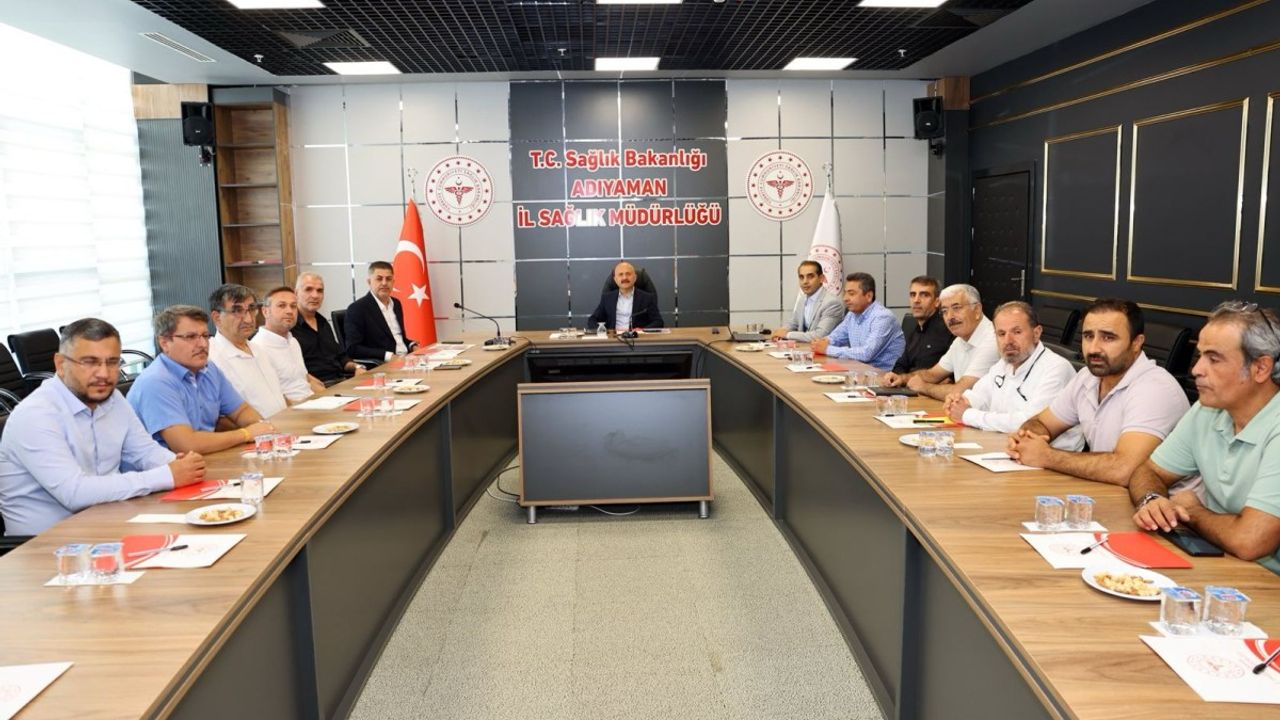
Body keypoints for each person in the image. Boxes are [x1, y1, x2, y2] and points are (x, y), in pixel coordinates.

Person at [0, 319, 206, 536]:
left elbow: (145, 452)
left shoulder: (112, 398)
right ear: (60, 364)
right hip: (46, 544)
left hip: (109, 524)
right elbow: (75, 493)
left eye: (112, 362)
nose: (104, 374)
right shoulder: (35, 415)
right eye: (90, 362)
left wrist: (180, 465)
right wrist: (167, 475)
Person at [1129, 301, 1280, 574]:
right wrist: (1152, 500)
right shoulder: (1207, 410)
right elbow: (1148, 471)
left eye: (1214, 358)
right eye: (1200, 355)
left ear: (1260, 368)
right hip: (1226, 566)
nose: (1196, 369)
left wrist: (1192, 512)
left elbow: (1250, 541)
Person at [1007, 298, 1190, 486]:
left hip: (1166, 501)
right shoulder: (1087, 377)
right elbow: (1041, 422)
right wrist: (1026, 439)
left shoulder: (1155, 389)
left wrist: (1046, 456)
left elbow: (1125, 470)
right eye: (1088, 336)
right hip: (1106, 492)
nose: (1094, 348)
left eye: (1108, 338)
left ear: (1136, 343)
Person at [128, 305, 274, 454]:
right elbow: (186, 445)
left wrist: (262, 429)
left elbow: (241, 411)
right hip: (164, 466)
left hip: (204, 458)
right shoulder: (155, 382)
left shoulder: (209, 369)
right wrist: (246, 434)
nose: (203, 344)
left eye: (205, 336)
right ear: (165, 343)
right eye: (191, 337)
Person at [943, 301, 1081, 448]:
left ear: (1036, 333)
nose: (1008, 341)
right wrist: (959, 402)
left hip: (1051, 456)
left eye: (1017, 332)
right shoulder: (1004, 363)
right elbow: (979, 396)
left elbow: (1029, 424)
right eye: (1001, 334)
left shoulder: (1056, 369)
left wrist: (967, 415)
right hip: (1003, 446)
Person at [883, 284, 997, 401]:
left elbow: (960, 392)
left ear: (977, 310)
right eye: (945, 311)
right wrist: (902, 379)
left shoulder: (993, 340)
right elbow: (933, 374)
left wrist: (924, 387)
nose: (950, 317)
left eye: (956, 308)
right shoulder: (960, 340)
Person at [206, 284, 288, 417]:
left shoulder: (258, 349)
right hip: (255, 429)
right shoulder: (211, 359)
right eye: (237, 311)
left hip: (285, 423)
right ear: (217, 318)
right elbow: (217, 419)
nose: (249, 319)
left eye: (251, 309)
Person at [810, 272, 905, 371]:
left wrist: (827, 349)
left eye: (851, 294)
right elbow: (836, 337)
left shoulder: (883, 317)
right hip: (859, 371)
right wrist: (823, 342)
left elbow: (866, 354)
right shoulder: (852, 314)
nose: (845, 298)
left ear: (869, 296)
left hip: (883, 375)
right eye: (845, 293)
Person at [251, 286, 324, 402]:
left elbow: (304, 380)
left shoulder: (292, 341)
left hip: (311, 402)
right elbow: (270, 399)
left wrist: (329, 398)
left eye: (293, 306)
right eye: (281, 306)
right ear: (265, 311)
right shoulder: (258, 348)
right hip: (291, 409)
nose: (289, 311)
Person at [293, 272, 366, 384]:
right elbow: (292, 371)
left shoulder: (323, 322)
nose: (315, 295)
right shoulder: (289, 327)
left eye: (319, 291)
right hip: (314, 386)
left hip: (340, 381)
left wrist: (357, 367)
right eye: (308, 289)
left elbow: (341, 357)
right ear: (296, 293)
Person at [345, 261, 419, 362]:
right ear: (369, 282)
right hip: (383, 364)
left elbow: (397, 338)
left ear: (393, 282)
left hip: (406, 359)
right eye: (379, 279)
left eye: (388, 279)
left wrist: (412, 345)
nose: (384, 283)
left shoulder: (396, 303)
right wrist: (388, 356)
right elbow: (353, 348)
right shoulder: (357, 308)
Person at [890, 276, 952, 375]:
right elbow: (899, 365)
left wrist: (903, 378)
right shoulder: (914, 330)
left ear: (937, 302)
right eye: (913, 295)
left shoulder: (948, 330)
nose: (916, 300)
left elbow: (939, 375)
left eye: (924, 295)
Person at [773, 260, 845, 342]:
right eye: (801, 277)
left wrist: (787, 335)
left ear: (821, 278)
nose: (805, 282)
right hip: (804, 347)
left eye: (810, 277)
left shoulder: (832, 303)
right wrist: (780, 332)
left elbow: (820, 336)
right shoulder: (802, 298)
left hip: (826, 349)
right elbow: (793, 323)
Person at [587, 261, 663, 331]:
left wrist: (642, 330)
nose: (624, 278)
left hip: (637, 338)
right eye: (620, 274)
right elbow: (592, 320)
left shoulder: (647, 298)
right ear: (615, 280)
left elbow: (658, 322)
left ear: (635, 278)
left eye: (628, 274)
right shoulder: (607, 298)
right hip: (613, 338)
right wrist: (602, 331)